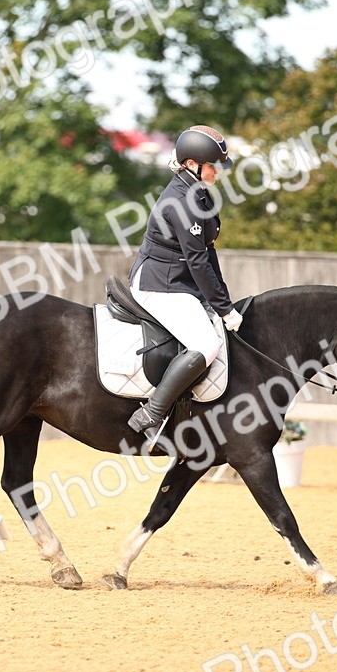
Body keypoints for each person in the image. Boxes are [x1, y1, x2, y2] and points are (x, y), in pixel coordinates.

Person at [126, 124, 243, 440]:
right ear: (191, 164)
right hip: (158, 284)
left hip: (180, 283)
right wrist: (224, 308)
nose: (219, 170)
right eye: (213, 165)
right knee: (207, 345)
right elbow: (197, 261)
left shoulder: (199, 193)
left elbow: (209, 252)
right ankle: (151, 413)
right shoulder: (181, 201)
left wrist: (224, 302)